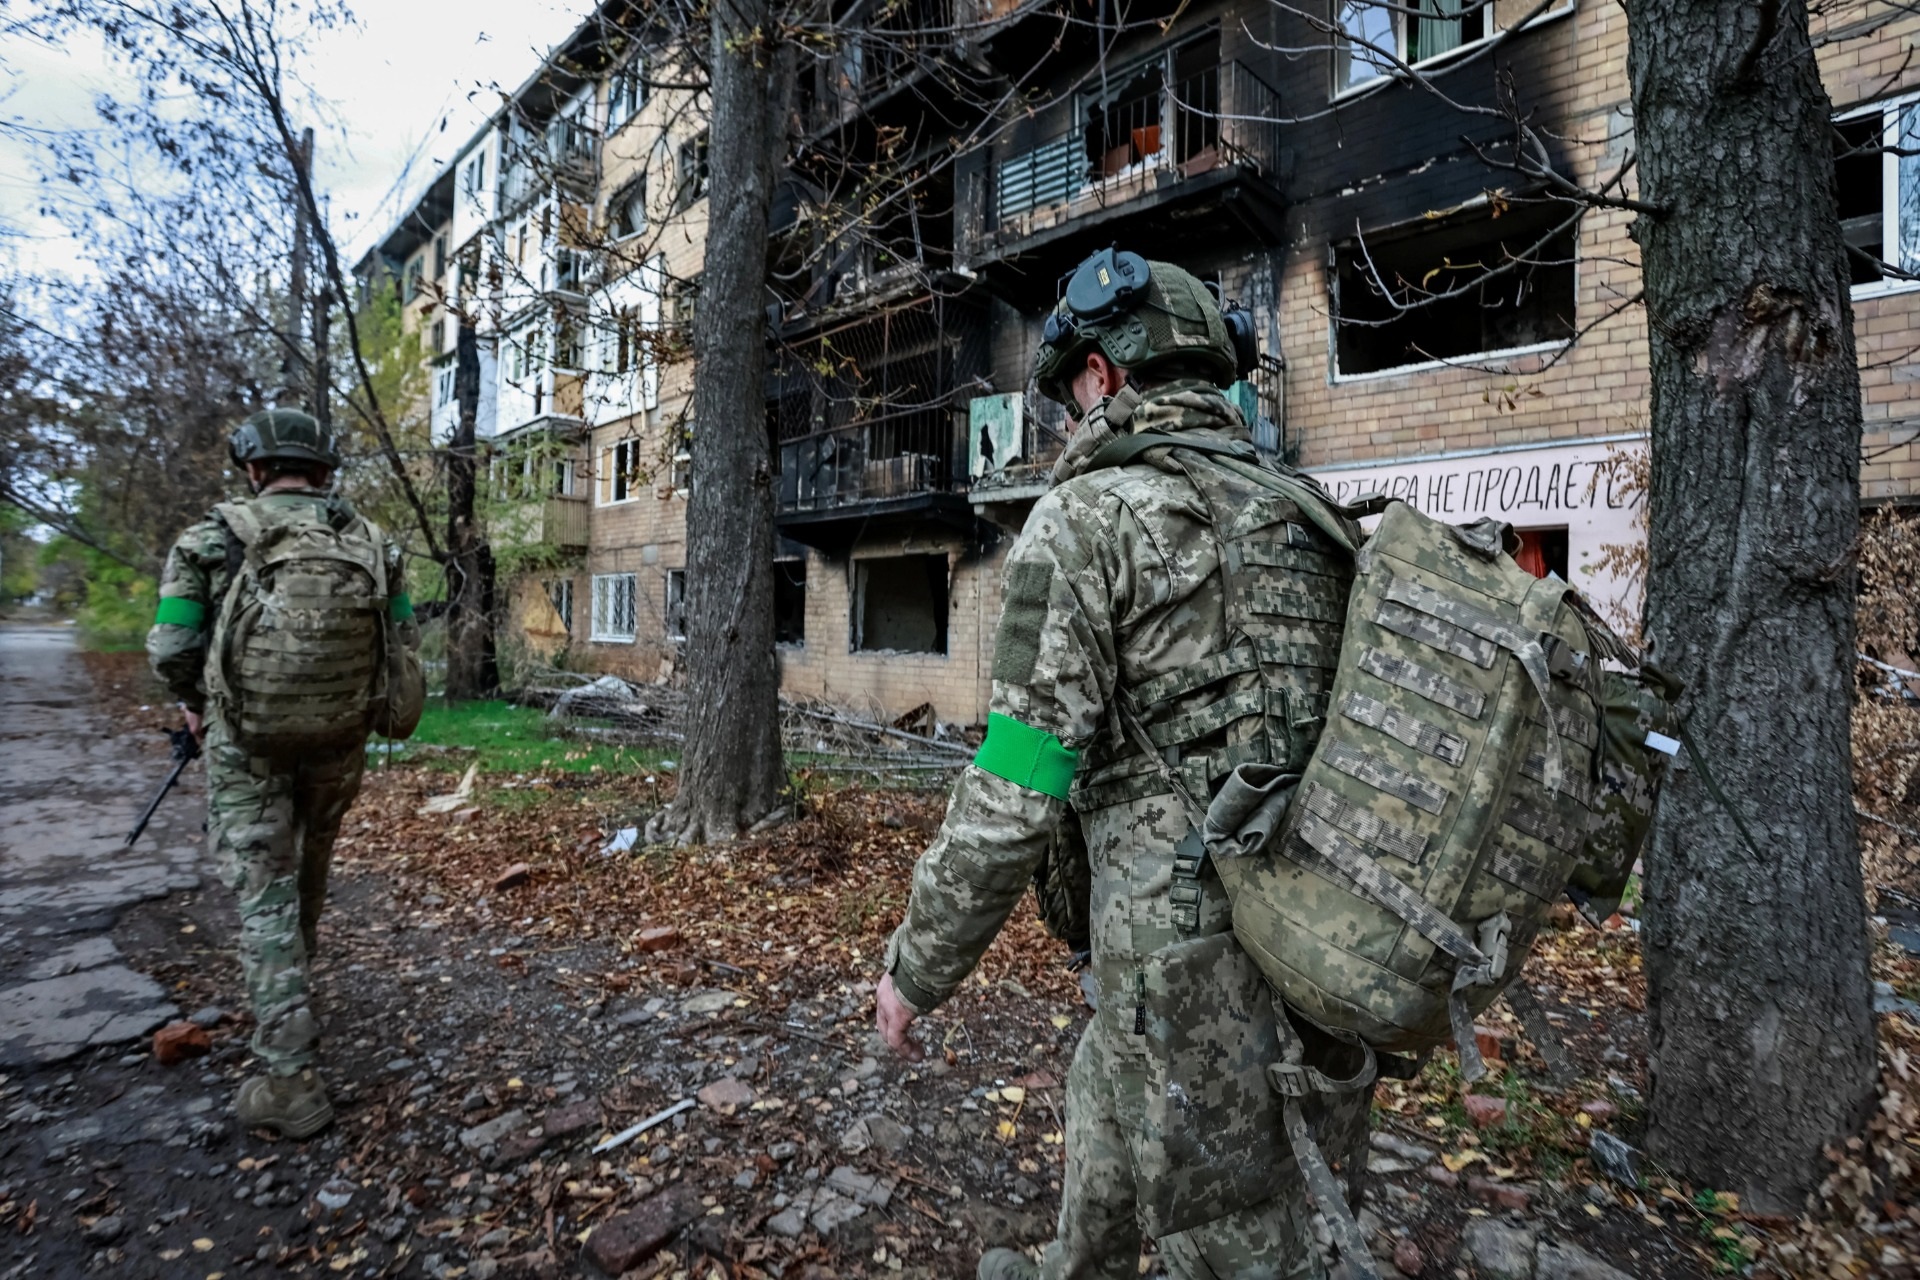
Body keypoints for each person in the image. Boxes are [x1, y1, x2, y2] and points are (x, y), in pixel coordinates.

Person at [873, 250, 1367, 1280]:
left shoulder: (1090, 517)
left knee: (1227, 1222)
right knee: (1113, 1081)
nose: (1064, 419)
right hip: (1326, 928)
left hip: (1183, 954)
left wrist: (920, 963)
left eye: (1067, 394)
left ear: (1102, 376)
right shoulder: (1306, 512)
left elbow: (1016, 776)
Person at [148, 409, 418, 1139]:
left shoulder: (209, 537)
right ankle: (294, 995)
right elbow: (403, 637)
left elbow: (172, 645)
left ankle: (289, 1077)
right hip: (339, 737)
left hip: (247, 741)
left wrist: (197, 705)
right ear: (325, 471)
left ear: (253, 467)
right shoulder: (372, 541)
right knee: (310, 867)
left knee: (263, 887)